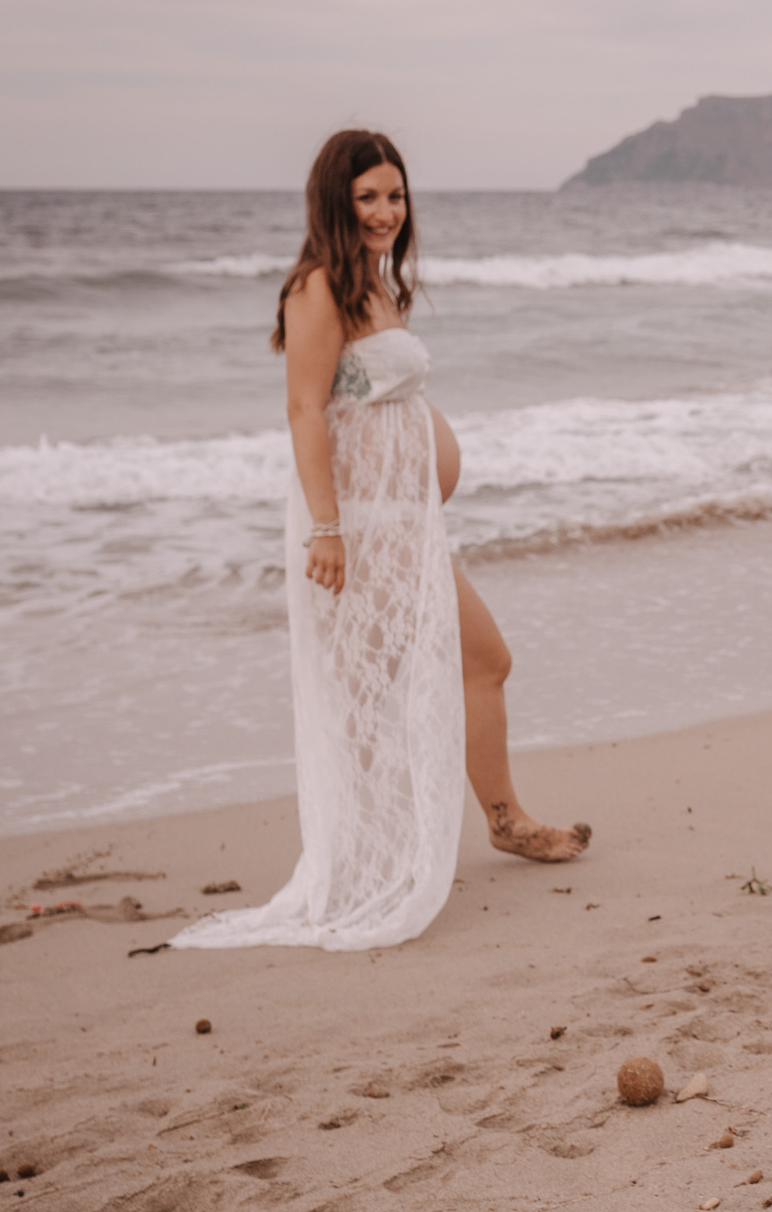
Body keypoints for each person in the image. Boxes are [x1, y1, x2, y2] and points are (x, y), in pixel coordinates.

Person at [175, 130, 587, 954]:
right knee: (364, 692)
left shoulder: (378, 285)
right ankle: (367, 855)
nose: (385, 212)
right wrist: (329, 530)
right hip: (359, 531)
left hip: (408, 524)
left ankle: (503, 819)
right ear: (336, 200)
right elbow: (304, 411)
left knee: (483, 661)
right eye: (368, 197)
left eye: (395, 196)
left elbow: (385, 404)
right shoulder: (319, 288)